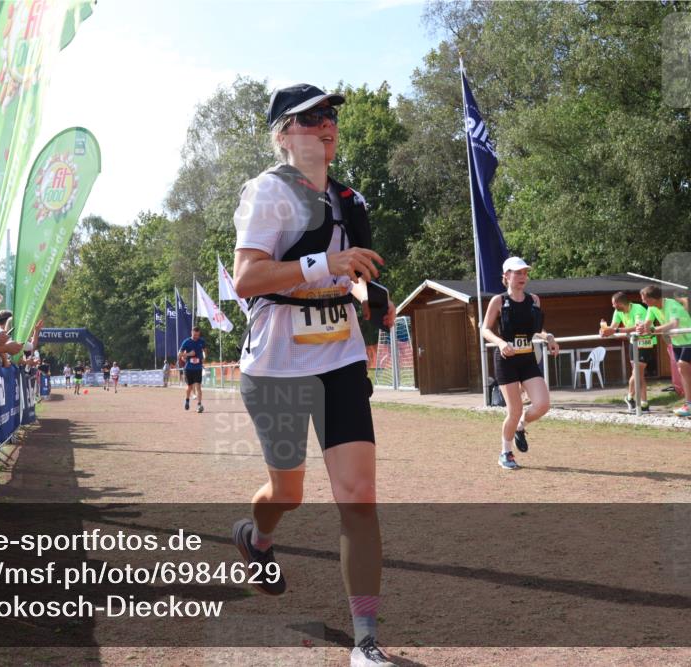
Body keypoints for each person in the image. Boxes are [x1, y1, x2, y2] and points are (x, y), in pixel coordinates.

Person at [231, 84, 398, 666]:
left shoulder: (352, 201)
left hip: (341, 360)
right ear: (282, 135)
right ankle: (257, 536)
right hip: (276, 363)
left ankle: (366, 641)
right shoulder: (267, 193)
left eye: (329, 117)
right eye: (309, 119)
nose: (325, 126)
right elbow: (247, 280)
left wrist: (373, 295)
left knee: (358, 496)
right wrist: (322, 264)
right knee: (289, 493)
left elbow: (359, 274)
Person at [481, 257, 560, 470]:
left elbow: (536, 330)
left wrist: (549, 337)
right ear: (506, 276)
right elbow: (484, 329)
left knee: (543, 405)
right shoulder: (498, 301)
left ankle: (520, 426)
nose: (522, 277)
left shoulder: (534, 300)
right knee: (513, 410)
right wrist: (499, 342)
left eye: (524, 273)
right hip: (506, 360)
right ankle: (505, 453)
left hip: (527, 358)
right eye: (517, 273)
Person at [637, 285, 691, 417]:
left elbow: (674, 324)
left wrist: (653, 330)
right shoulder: (651, 307)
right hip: (677, 341)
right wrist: (642, 328)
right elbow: (648, 324)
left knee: (683, 365)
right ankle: (689, 404)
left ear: (654, 298)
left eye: (645, 299)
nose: (643, 301)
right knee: (681, 368)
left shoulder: (671, 305)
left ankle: (690, 404)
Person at [601, 291, 660, 413]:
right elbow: (613, 327)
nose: (612, 306)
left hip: (646, 341)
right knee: (639, 373)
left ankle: (629, 397)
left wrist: (615, 330)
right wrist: (604, 330)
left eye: (613, 304)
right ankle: (644, 403)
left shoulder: (638, 309)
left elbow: (638, 327)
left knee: (637, 372)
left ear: (620, 303)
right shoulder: (618, 312)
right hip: (633, 342)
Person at [179, 327, 207, 412]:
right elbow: (179, 354)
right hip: (189, 368)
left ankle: (199, 405)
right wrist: (188, 354)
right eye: (195, 335)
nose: (196, 337)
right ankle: (187, 400)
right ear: (191, 333)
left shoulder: (201, 341)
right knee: (190, 387)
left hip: (198, 368)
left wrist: (204, 358)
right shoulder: (186, 342)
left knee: (198, 387)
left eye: (198, 335)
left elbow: (205, 351)